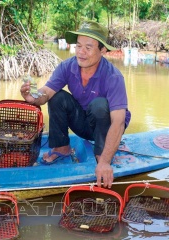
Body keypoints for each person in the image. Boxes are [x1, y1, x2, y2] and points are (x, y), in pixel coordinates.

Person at [20, 21, 131, 188]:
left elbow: (118, 121)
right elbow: (47, 92)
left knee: (99, 104)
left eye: (88, 47)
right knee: (57, 97)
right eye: (78, 46)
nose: (81, 52)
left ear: (102, 50)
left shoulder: (113, 77)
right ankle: (62, 148)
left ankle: (101, 155)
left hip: (105, 127)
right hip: (83, 122)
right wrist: (33, 97)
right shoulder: (67, 67)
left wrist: (106, 162)